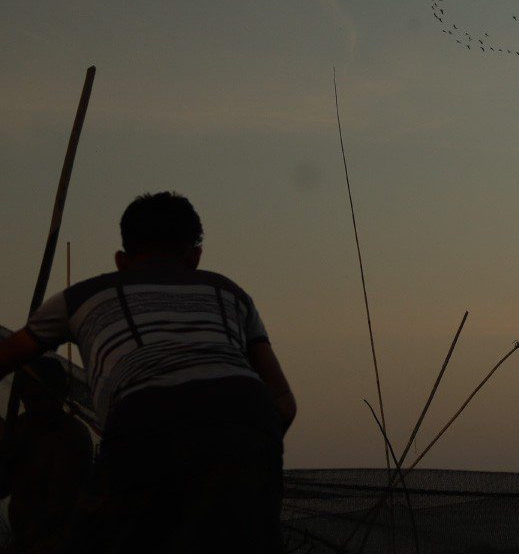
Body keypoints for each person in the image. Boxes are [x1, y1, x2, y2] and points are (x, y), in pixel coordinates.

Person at [0, 191, 297, 553]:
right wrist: (240, 439)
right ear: (195, 257)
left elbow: (9, 354)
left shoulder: (80, 297)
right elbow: (283, 402)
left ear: (121, 260)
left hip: (146, 415)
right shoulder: (228, 292)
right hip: (248, 415)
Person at [0, 358, 93, 554]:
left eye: (45, 398)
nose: (41, 406)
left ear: (63, 394)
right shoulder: (24, 424)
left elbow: (58, 509)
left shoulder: (70, 438)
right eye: (33, 399)